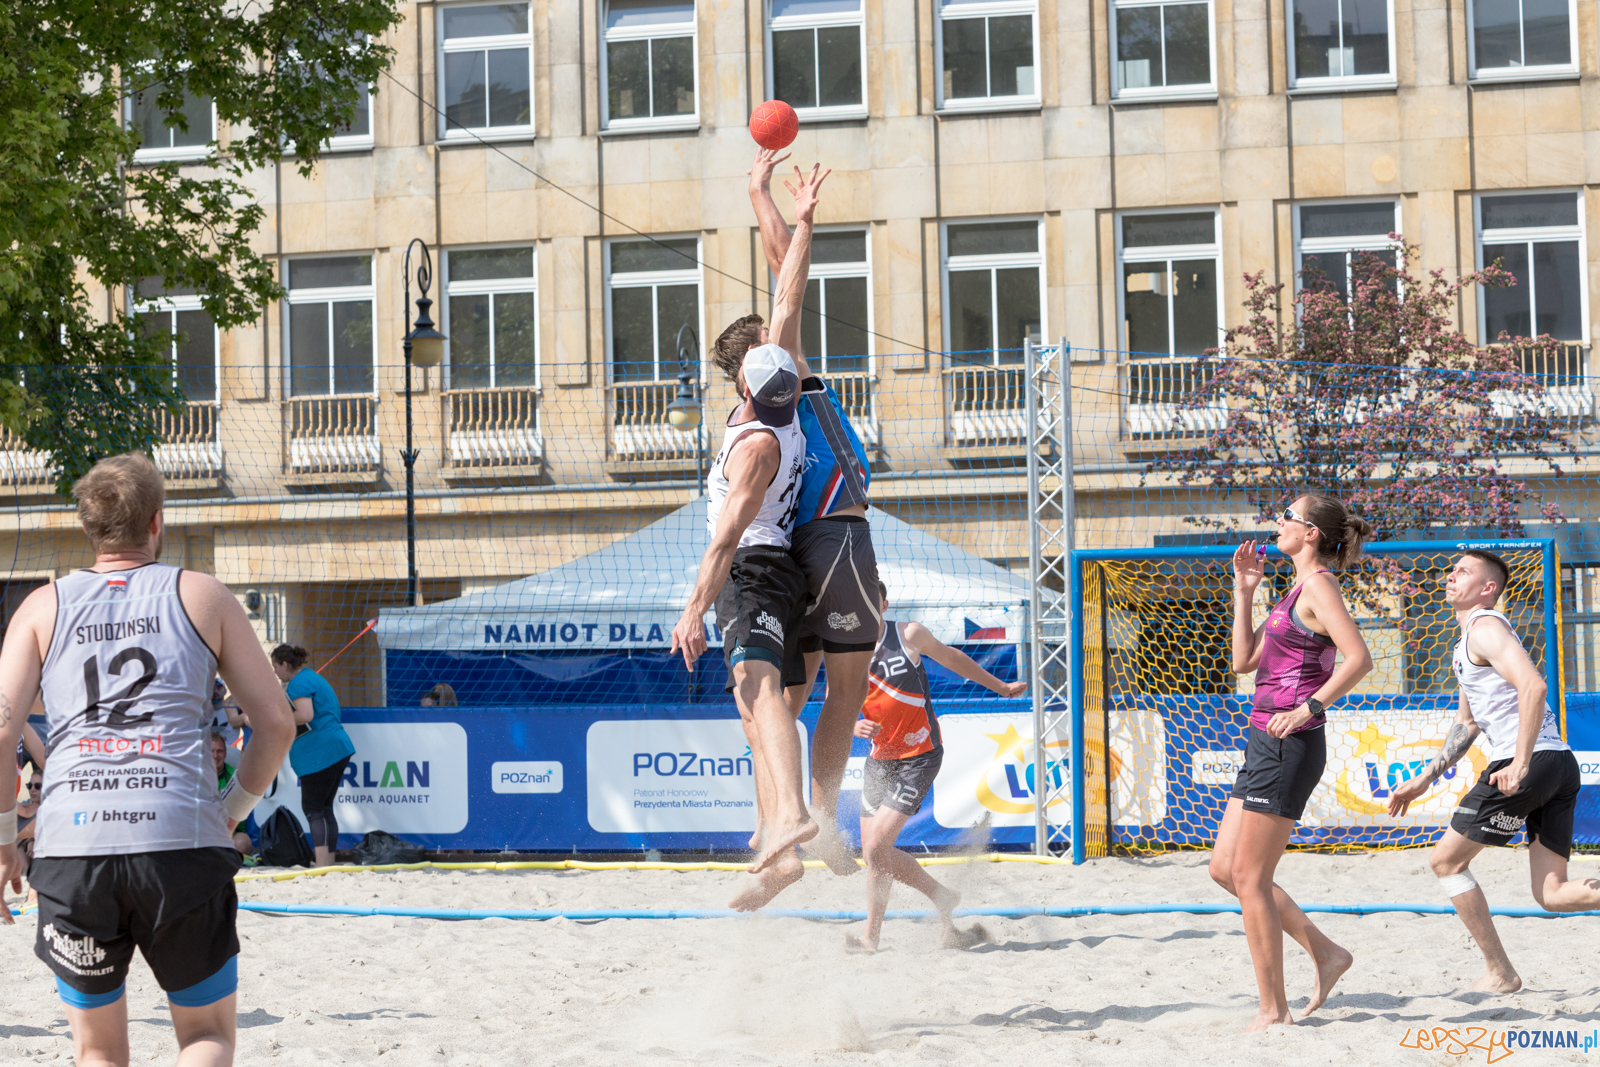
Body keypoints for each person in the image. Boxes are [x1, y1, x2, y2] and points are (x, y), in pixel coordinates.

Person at [0, 451, 295, 1066]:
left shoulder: (40, 607)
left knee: (99, 1053)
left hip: (72, 844)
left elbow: (1, 735)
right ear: (157, 521)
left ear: (86, 527)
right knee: (206, 1036)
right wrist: (232, 810)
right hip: (179, 835)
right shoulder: (203, 595)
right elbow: (274, 723)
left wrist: (5, 836)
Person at [674, 161, 830, 910]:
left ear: (740, 383)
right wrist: (785, 212)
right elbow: (789, 283)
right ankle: (777, 842)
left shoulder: (756, 441)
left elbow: (726, 538)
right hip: (786, 566)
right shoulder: (788, 402)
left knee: (758, 689)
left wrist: (692, 606)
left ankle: (791, 816)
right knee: (758, 706)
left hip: (761, 567)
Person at [745, 147, 878, 877]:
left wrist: (762, 195)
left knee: (783, 700)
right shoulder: (788, 379)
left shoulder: (758, 407)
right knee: (846, 688)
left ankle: (778, 832)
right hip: (837, 530)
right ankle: (819, 817)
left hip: (785, 547)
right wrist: (797, 216)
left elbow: (779, 273)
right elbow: (787, 282)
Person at [1388, 550, 1599, 993]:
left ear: (1487, 588)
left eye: (1462, 571)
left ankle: (1500, 973)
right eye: (1450, 570)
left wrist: (1519, 762)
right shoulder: (1466, 643)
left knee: (1445, 861)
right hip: (1558, 763)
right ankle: (1501, 972)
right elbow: (1467, 724)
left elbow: (1535, 686)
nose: (1450, 576)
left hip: (1530, 762)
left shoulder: (1484, 626)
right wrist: (1424, 779)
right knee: (1553, 895)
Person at [1213, 493, 1374, 1030]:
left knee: (1250, 876)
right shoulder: (1293, 591)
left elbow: (1360, 658)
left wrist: (1309, 707)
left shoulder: (1321, 585)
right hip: (1264, 737)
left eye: (1288, 516)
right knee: (1224, 870)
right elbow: (1242, 663)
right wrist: (1244, 593)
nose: (1277, 522)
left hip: (1291, 741)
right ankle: (1327, 953)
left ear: (1310, 534)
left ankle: (1273, 1010)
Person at [846, 582, 1024, 953]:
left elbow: (953, 659)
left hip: (919, 755)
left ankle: (935, 899)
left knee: (878, 850)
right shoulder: (846, 648)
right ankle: (879, 936)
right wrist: (851, 725)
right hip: (879, 759)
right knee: (872, 855)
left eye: (872, 600)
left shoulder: (908, 634)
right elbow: (837, 702)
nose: (865, 605)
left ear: (883, 603)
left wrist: (1000, 686)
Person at [270, 644, 355, 868]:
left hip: (321, 752)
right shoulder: (311, 677)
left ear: (285, 664)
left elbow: (305, 714)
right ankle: (327, 862)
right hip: (335, 748)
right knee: (325, 808)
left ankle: (322, 863)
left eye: (275, 667)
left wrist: (276, 719)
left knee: (313, 809)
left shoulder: (299, 682)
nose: (275, 673)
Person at [210, 734, 257, 861]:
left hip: (231, 833)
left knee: (243, 843)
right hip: (204, 833)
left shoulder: (235, 777)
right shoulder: (196, 777)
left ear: (225, 753)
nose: (215, 756)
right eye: (211, 751)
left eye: (219, 751)